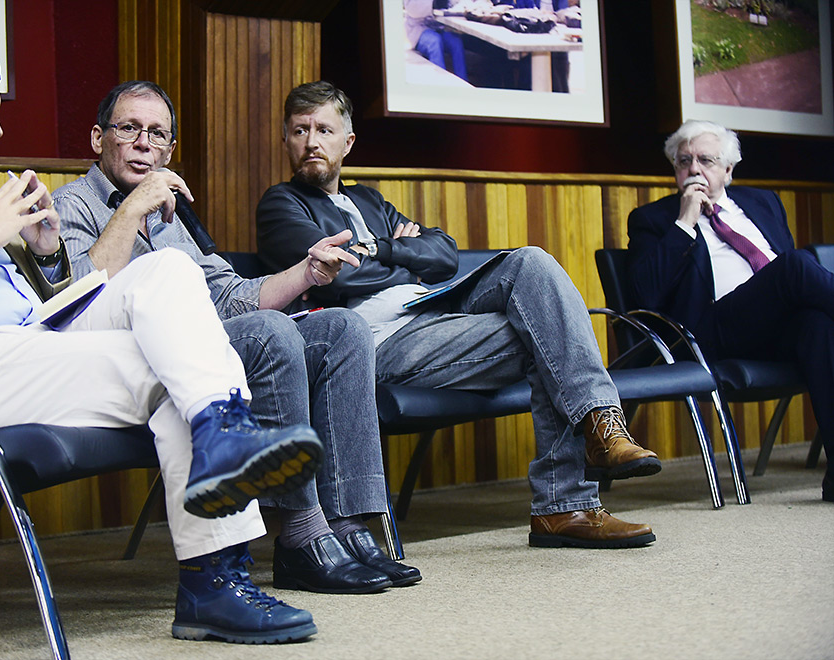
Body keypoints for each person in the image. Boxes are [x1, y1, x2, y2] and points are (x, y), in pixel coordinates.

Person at [0, 34, 329, 646]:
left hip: (33, 342)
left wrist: (47, 255)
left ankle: (222, 445)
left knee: (171, 274)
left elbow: (23, 297)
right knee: (177, 376)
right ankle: (215, 577)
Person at [256, 80, 662, 548]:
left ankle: (601, 425)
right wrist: (405, 251)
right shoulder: (279, 205)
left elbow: (444, 255)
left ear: (347, 142)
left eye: (323, 129)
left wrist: (383, 249)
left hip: (432, 310)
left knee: (531, 263)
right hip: (371, 339)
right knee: (548, 337)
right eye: (299, 130)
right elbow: (336, 275)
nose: (311, 142)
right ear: (286, 139)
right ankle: (566, 504)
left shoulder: (369, 201)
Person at [52, 80, 421, 594]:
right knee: (270, 332)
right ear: (98, 138)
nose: (143, 143)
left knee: (341, 328)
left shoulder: (171, 217)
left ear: (169, 150)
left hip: (202, 348)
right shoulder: (72, 204)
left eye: (157, 134)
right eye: (129, 128)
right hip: (132, 362)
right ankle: (299, 534)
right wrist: (132, 207)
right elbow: (79, 299)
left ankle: (349, 523)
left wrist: (307, 273)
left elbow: (228, 294)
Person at [627, 119, 834, 504]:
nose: (693, 169)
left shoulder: (763, 202)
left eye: (705, 160)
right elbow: (645, 295)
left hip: (774, 326)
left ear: (728, 170)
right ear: (675, 170)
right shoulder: (653, 221)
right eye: (683, 161)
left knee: (818, 325)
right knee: (795, 266)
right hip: (710, 332)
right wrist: (685, 223)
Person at [405, 0, 469, 82]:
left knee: (455, 42)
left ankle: (463, 81)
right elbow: (411, 9)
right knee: (434, 41)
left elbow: (455, 3)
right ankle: (439, 82)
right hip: (418, 28)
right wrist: (434, 4)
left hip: (439, 27)